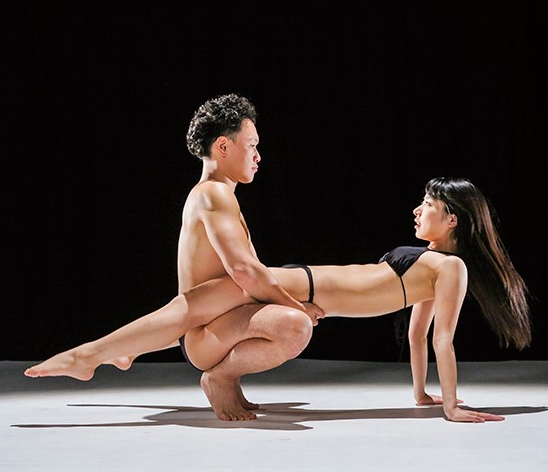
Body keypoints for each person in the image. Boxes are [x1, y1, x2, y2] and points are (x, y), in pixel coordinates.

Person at [27, 174, 531, 423]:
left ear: (453, 219)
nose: (418, 210)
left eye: (429, 204)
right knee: (192, 307)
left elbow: (432, 338)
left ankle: (108, 353)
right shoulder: (433, 261)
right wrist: (427, 398)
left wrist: (441, 403)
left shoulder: (451, 268)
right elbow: (421, 337)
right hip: (298, 283)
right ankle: (99, 354)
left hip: (301, 284)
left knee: (194, 308)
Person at [25, 93, 324, 421]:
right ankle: (215, 378)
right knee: (290, 321)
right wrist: (297, 306)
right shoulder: (213, 193)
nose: (258, 156)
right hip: (202, 335)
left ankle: (116, 352)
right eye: (251, 145)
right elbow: (243, 272)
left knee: (258, 296)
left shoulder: (214, 194)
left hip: (208, 325)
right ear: (223, 146)